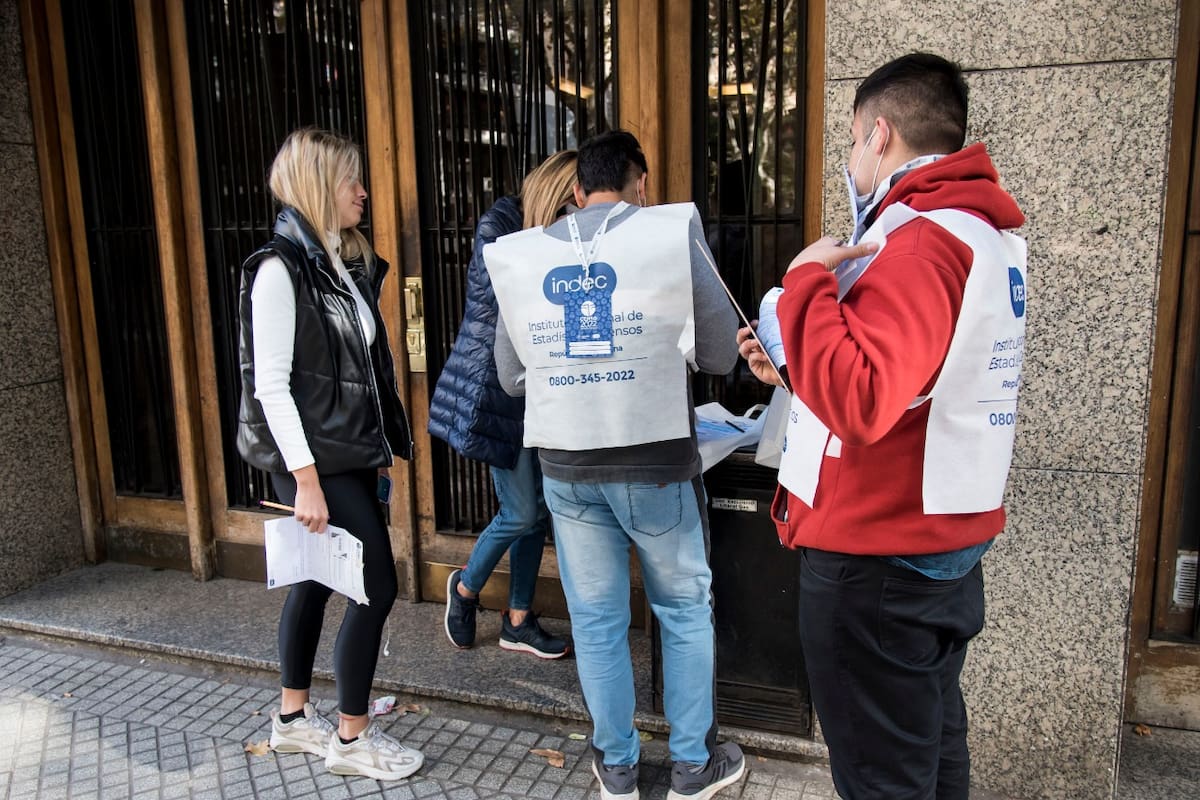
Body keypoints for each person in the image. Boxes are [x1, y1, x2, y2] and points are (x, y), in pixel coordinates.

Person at [739, 53, 1027, 799]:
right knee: (929, 756)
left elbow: (867, 400)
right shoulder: (979, 235)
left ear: (879, 133)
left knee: (881, 778)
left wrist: (805, 280)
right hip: (932, 545)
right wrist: (795, 363)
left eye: (851, 139)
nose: (850, 158)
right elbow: (917, 385)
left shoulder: (922, 238)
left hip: (879, 558)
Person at [486, 129, 746, 800]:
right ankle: (693, 765)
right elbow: (719, 353)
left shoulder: (522, 254)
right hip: (655, 458)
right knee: (684, 608)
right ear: (641, 185)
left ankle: (619, 769)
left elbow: (512, 375)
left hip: (569, 463)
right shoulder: (667, 233)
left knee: (596, 619)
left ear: (575, 191)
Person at [237, 128, 423, 781]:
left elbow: (359, 370)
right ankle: (352, 738)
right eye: (353, 181)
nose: (364, 192)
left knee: (316, 581)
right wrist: (307, 482)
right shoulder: (279, 269)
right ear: (321, 185)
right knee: (378, 585)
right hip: (319, 463)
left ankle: (291, 721)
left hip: (347, 455)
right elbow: (271, 385)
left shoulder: (337, 261)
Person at [428, 151, 578, 659]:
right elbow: (510, 308)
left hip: (536, 389)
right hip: (495, 390)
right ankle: (466, 588)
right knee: (521, 510)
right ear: (554, 196)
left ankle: (518, 618)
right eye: (567, 207)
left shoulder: (539, 232)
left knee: (537, 515)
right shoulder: (502, 227)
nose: (571, 220)